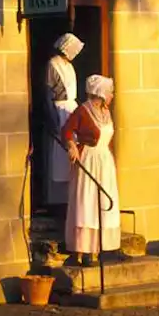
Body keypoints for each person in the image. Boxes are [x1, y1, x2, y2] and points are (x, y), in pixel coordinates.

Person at [62, 74, 120, 267]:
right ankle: (85, 251)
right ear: (101, 93)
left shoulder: (106, 111)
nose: (112, 95)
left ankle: (107, 248)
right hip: (89, 159)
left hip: (104, 160)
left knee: (105, 200)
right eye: (110, 92)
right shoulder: (83, 111)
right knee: (88, 202)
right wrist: (71, 146)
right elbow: (67, 130)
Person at [44, 33, 83, 214]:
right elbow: (48, 93)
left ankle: (72, 198)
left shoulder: (70, 66)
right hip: (59, 111)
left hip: (71, 110)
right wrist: (53, 120)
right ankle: (57, 202)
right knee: (59, 155)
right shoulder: (53, 64)